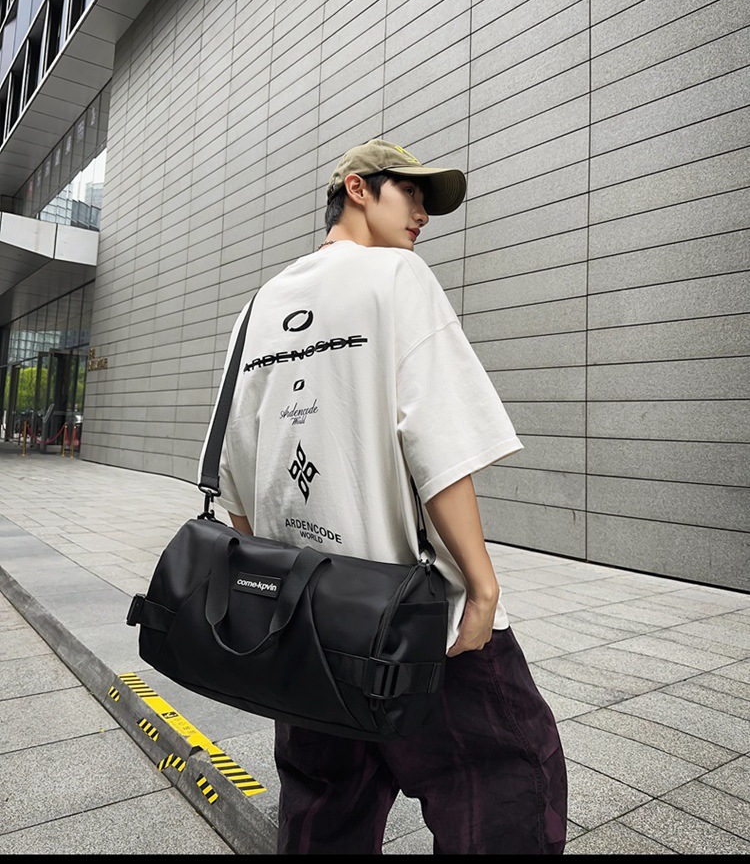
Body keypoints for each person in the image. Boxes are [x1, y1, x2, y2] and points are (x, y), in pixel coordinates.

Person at [205, 139, 568, 855]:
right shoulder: (397, 277)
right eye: (411, 194)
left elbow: (238, 481)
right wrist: (483, 588)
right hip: (416, 617)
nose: (424, 214)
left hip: (303, 620)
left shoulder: (258, 308)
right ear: (357, 188)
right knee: (507, 787)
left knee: (324, 810)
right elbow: (440, 447)